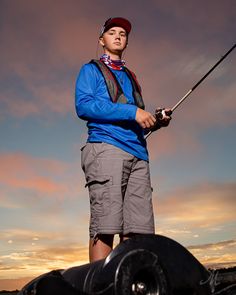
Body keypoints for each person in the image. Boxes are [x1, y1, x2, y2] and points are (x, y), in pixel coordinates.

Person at [75, 17, 172, 262]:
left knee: (137, 232)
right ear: (102, 40)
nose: (118, 36)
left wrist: (155, 121)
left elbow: (135, 117)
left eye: (123, 34)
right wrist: (133, 112)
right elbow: (83, 106)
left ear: (126, 42)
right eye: (112, 32)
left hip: (139, 154)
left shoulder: (131, 76)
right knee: (105, 228)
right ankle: (100, 287)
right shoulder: (91, 69)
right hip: (106, 148)